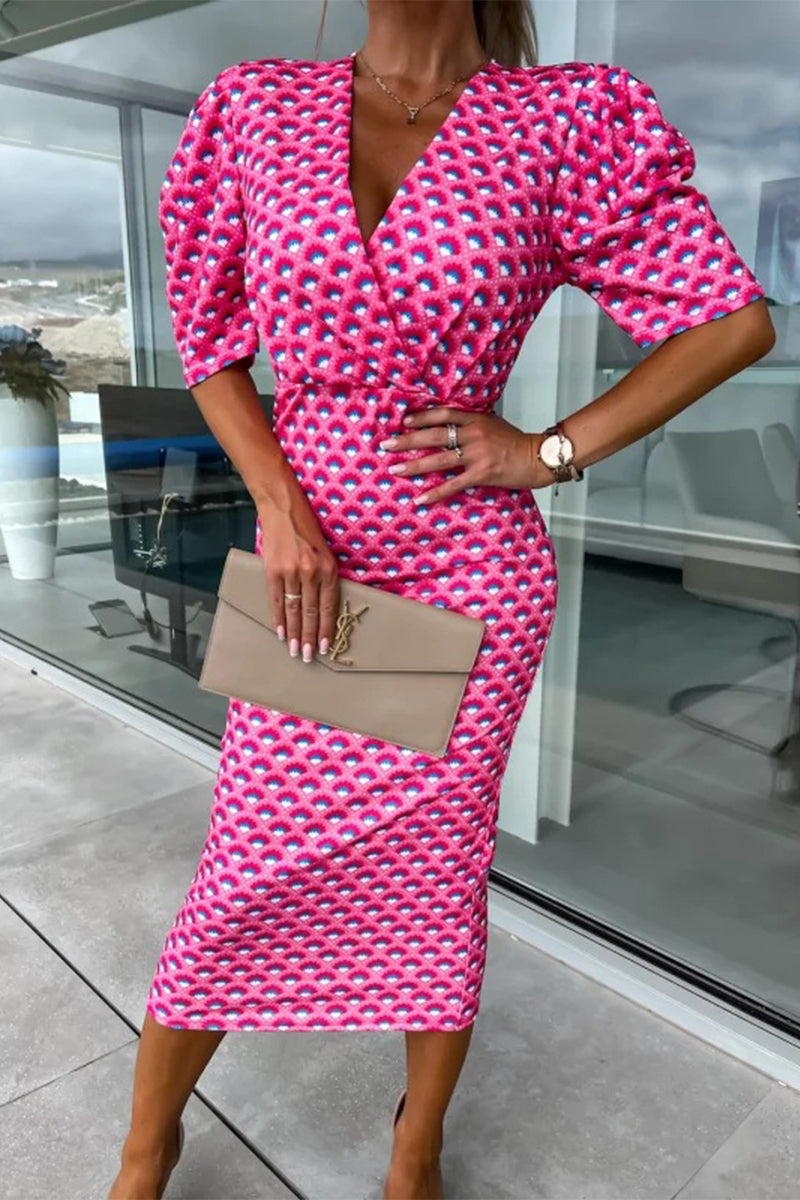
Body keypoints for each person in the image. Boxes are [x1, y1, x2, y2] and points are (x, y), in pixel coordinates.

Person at [108, 1, 775, 1197]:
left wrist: (545, 451)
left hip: (468, 572)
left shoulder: (563, 120)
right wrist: (278, 502)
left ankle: (412, 1152)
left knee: (431, 879)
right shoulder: (255, 107)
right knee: (246, 868)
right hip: (308, 573)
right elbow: (208, 341)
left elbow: (728, 321)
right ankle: (146, 1147)